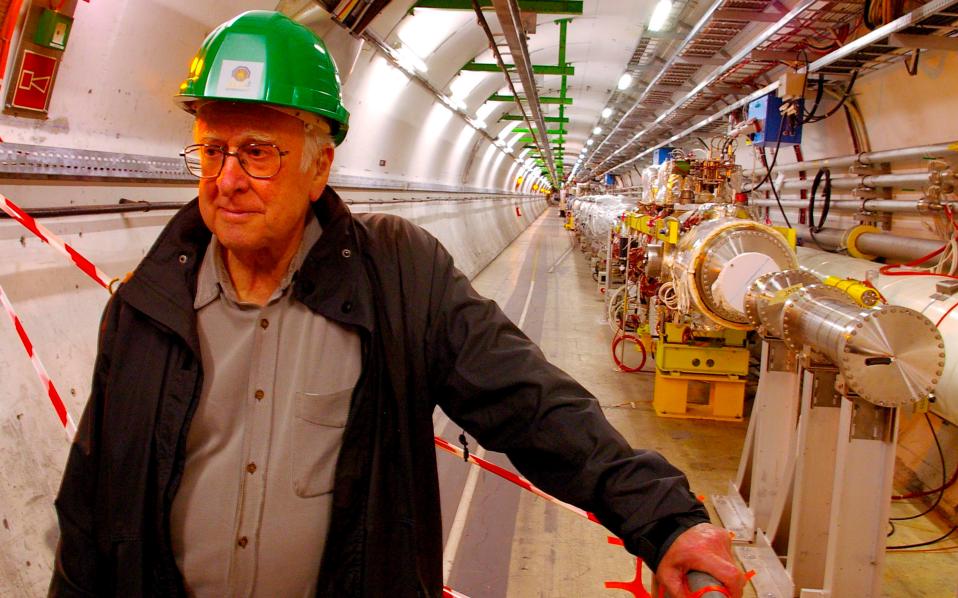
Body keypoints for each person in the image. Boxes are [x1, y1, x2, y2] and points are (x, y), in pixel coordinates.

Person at [49, 10, 745, 598]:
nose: (227, 179)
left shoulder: (396, 277)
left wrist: (662, 520)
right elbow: (88, 507)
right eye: (211, 151)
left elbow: (530, 402)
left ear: (320, 166)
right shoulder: (145, 307)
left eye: (257, 153)